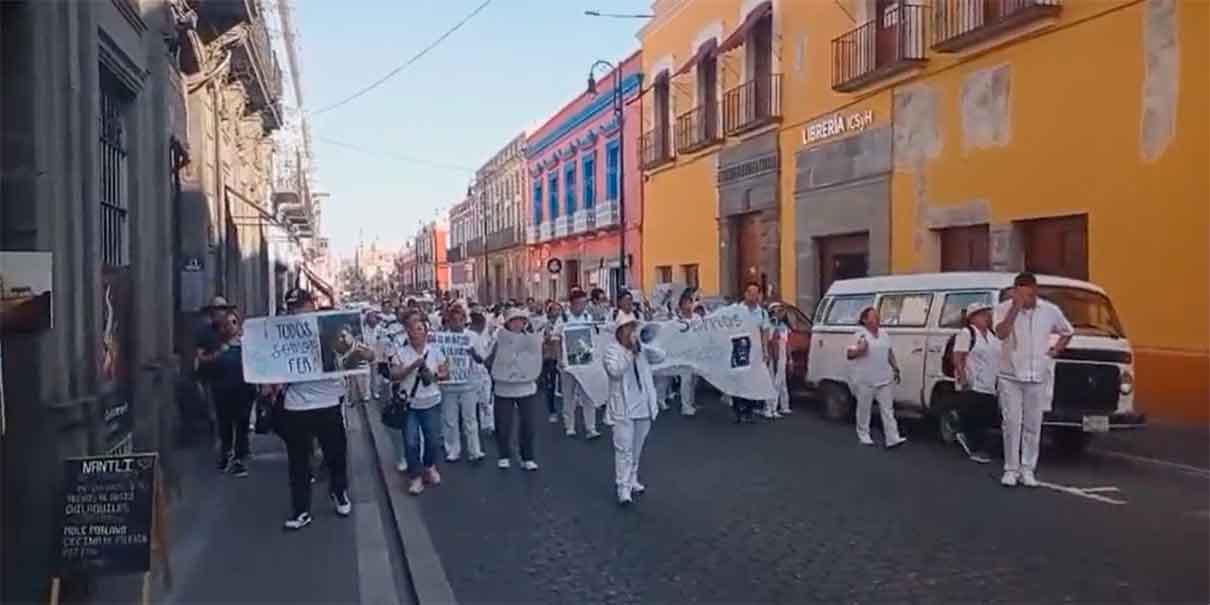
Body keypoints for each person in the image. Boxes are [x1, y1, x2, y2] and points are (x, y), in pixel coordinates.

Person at [275, 288, 353, 530]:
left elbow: (349, 350)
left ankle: (339, 492)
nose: (296, 311)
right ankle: (301, 510)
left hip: (328, 402)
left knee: (336, 454)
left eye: (301, 306)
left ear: (312, 305)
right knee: (298, 461)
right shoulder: (280, 332)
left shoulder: (327, 327)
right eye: (292, 307)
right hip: (296, 404)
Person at [994, 272, 1073, 487]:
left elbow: (1067, 332)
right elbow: (1000, 333)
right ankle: (1010, 469)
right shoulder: (1003, 309)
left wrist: (1054, 351)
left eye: (1028, 295)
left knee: (1033, 424)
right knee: (1011, 422)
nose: (1025, 299)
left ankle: (1028, 468)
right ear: (1014, 292)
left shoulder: (1049, 311)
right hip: (1010, 374)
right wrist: (1014, 309)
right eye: (1020, 295)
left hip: (1037, 374)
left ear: (1035, 291)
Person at [605, 313, 666, 505]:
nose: (632, 331)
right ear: (620, 331)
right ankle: (622, 488)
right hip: (623, 407)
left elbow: (661, 357)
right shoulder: (611, 350)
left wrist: (643, 346)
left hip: (643, 405)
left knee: (637, 447)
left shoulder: (641, 348)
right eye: (629, 328)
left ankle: (632, 479)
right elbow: (615, 372)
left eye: (634, 328)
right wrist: (630, 353)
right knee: (623, 448)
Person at [390, 309, 450, 495]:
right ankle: (415, 476)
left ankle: (429, 466)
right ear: (407, 332)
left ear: (425, 331)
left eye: (419, 329)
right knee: (411, 442)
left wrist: (434, 375)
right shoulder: (400, 352)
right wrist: (413, 367)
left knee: (432, 439)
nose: (415, 333)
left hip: (431, 402)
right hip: (410, 404)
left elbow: (445, 372)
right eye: (411, 329)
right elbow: (394, 375)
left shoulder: (436, 351)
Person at [481, 308, 541, 471]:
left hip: (526, 387)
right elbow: (487, 357)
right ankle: (504, 455)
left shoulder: (531, 340)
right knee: (503, 423)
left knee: (528, 424)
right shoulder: (498, 337)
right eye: (514, 321)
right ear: (508, 323)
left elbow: (535, 359)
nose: (517, 324)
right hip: (503, 388)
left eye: (521, 321)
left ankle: (527, 456)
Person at [198, 309, 256, 477]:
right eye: (227, 324)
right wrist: (218, 354)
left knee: (242, 424)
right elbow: (204, 362)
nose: (231, 327)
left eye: (234, 323)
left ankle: (239, 458)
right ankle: (226, 453)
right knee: (225, 425)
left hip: (244, 390)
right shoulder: (217, 345)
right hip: (222, 390)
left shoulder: (247, 345)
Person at [847, 307, 907, 448]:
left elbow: (889, 352)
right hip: (865, 379)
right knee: (864, 409)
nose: (877, 319)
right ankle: (864, 435)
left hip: (884, 378)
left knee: (888, 409)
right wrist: (860, 350)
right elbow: (849, 355)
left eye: (878, 316)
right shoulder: (859, 335)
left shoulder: (884, 334)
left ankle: (892, 438)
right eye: (873, 316)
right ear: (865, 320)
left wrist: (895, 368)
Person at [951, 301, 1001, 464]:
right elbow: (958, 357)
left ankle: (973, 440)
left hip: (990, 382)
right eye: (982, 314)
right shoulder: (967, 333)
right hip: (974, 382)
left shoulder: (992, 336)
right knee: (976, 417)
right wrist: (962, 376)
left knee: (987, 416)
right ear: (973, 318)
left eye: (987, 314)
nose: (987, 317)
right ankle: (974, 448)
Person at [438, 305, 485, 464]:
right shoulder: (442, 338)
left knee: (470, 418)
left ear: (465, 321)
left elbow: (481, 359)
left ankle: (474, 450)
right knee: (450, 419)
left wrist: (470, 351)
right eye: (454, 320)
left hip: (468, 383)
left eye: (460, 320)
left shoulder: (472, 336)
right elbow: (436, 359)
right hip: (449, 384)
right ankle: (453, 449)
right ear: (448, 321)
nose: (457, 323)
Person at [559, 289, 602, 438]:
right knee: (568, 396)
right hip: (568, 362)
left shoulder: (587, 317)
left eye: (584, 303)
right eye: (580, 303)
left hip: (585, 360)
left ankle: (591, 427)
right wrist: (560, 359)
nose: (582, 306)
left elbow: (593, 337)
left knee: (588, 394)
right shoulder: (563, 318)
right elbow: (556, 339)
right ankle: (569, 425)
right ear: (572, 304)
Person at [732, 282, 771, 423]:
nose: (753, 296)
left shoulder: (762, 313)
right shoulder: (737, 310)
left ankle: (748, 410)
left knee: (752, 381)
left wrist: (765, 351)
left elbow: (765, 332)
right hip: (739, 349)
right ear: (745, 294)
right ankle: (738, 408)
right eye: (750, 293)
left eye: (756, 293)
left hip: (755, 351)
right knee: (739, 379)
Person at [468, 311, 495, 435]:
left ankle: (485, 424)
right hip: (476, 372)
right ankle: (487, 425)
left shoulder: (481, 335)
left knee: (481, 401)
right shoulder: (471, 336)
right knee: (484, 400)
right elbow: (480, 357)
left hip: (478, 373)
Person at [765, 302, 793, 419]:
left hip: (782, 357)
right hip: (773, 358)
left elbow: (787, 344)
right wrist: (772, 358)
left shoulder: (784, 326)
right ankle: (769, 409)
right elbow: (769, 342)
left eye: (781, 310)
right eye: (778, 310)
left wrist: (790, 358)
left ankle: (784, 406)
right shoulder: (769, 325)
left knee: (782, 382)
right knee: (774, 382)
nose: (781, 312)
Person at [540, 301, 564, 424]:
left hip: (562, 357)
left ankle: (567, 411)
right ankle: (552, 411)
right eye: (554, 310)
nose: (557, 312)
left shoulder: (564, 323)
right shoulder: (546, 324)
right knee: (550, 385)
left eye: (559, 309)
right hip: (549, 357)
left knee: (564, 385)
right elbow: (547, 338)